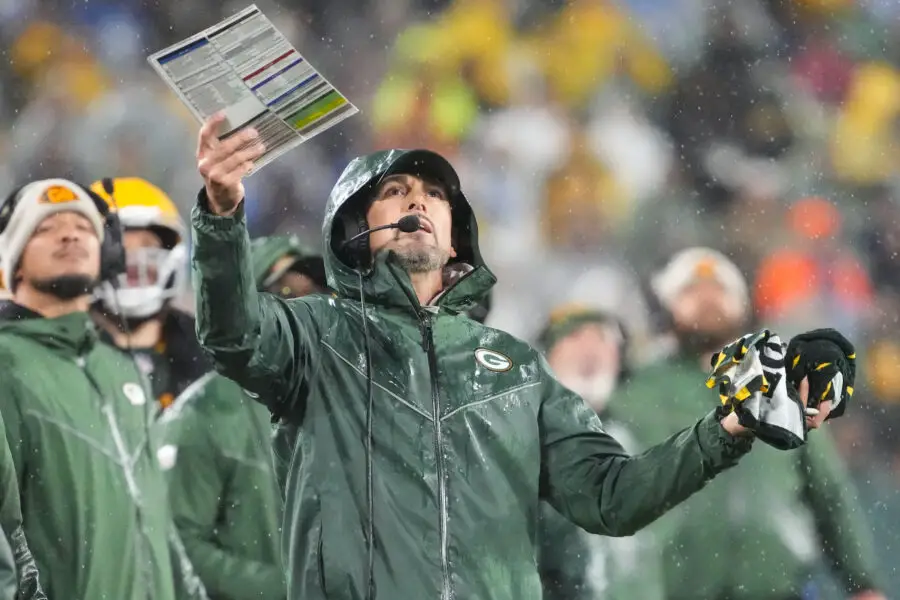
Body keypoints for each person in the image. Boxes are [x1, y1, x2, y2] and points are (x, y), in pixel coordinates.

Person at [190, 115, 845, 600]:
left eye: (434, 193)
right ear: (353, 231)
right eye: (394, 191)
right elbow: (231, 331)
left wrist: (731, 426)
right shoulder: (312, 337)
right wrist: (222, 214)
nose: (418, 199)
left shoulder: (516, 366)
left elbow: (613, 498)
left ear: (456, 240)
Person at [612, 247, 885, 600]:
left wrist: (861, 581)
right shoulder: (636, 390)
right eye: (691, 291)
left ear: (744, 305)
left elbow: (828, 492)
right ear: (665, 307)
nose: (708, 300)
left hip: (773, 588)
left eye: (720, 290)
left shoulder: (782, 382)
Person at [0, 178, 194, 599]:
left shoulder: (120, 370)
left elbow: (156, 527)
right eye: (45, 227)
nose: (69, 233)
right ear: (12, 261)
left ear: (105, 256)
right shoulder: (5, 364)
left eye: (84, 227)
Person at [159, 234, 327, 600]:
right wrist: (283, 588)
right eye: (284, 291)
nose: (303, 306)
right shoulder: (204, 411)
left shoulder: (344, 399)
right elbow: (172, 542)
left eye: (317, 293)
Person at [535, 305, 664, 600]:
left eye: (603, 339)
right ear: (547, 356)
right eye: (575, 336)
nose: (590, 350)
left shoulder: (639, 436)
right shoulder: (525, 438)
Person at [89, 177, 209, 412]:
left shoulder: (207, 355)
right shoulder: (61, 353)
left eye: (148, 245)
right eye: (119, 246)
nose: (134, 261)